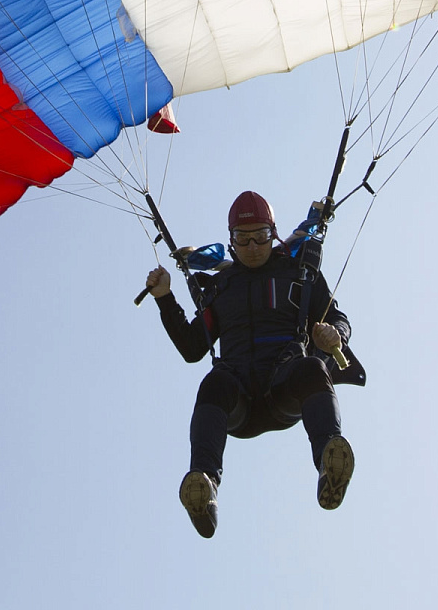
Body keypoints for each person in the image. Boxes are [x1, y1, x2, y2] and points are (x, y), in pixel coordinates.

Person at [143, 190, 365, 538]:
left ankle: (329, 462)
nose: (252, 247)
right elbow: (192, 348)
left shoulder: (298, 273)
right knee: (212, 383)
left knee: (311, 369)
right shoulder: (220, 288)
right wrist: (165, 298)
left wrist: (335, 337)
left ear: (273, 234)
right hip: (239, 396)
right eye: (242, 239)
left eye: (260, 237)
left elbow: (338, 319)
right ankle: (204, 487)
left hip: (284, 386)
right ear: (230, 241)